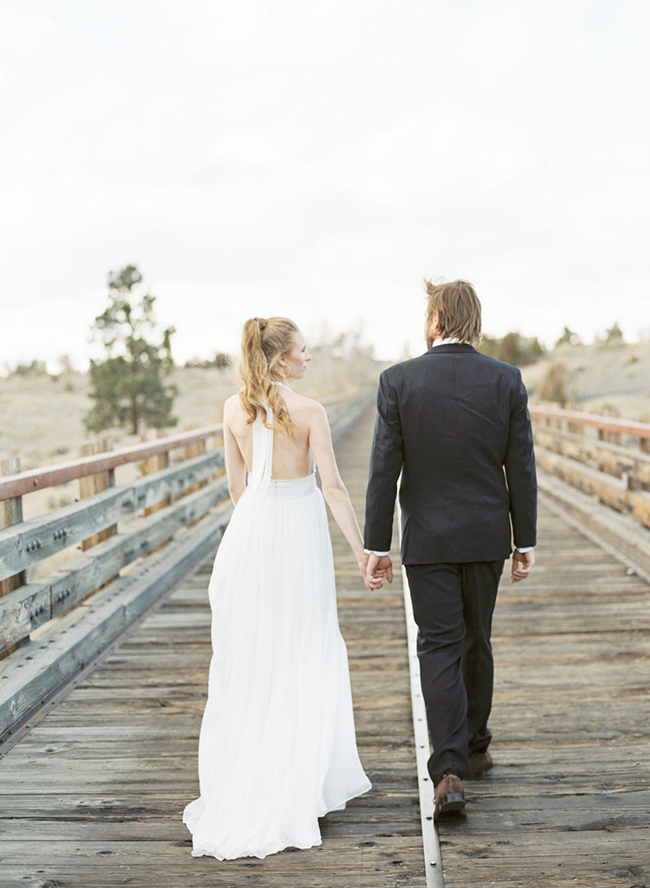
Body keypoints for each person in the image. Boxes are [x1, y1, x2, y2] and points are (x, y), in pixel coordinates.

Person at [183, 316, 373, 860]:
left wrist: (256, 535)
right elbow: (333, 488)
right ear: (283, 360)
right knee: (305, 643)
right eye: (304, 351)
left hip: (252, 534)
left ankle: (257, 765)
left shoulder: (231, 409)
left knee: (257, 652)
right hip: (298, 526)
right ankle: (298, 775)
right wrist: (362, 552)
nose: (309, 358)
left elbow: (236, 487)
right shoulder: (311, 412)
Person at [363, 280, 537, 821]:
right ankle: (477, 747)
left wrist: (377, 545)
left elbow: (382, 470)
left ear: (436, 319)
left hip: (428, 540)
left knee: (439, 644)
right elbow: (522, 465)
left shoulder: (399, 381)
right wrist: (523, 539)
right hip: (487, 537)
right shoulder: (506, 379)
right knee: (476, 639)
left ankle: (449, 772)